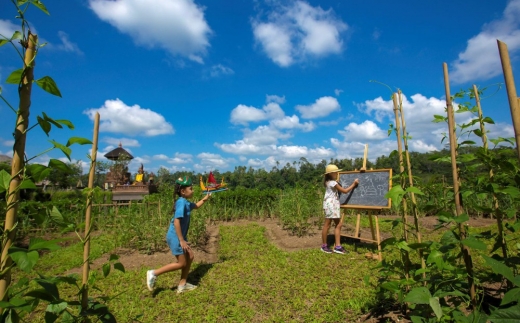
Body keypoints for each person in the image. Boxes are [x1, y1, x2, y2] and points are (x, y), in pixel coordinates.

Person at [146, 176, 211, 293]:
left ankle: (182, 284)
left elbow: (195, 206)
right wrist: (181, 240)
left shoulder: (185, 202)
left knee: (190, 256)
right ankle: (154, 273)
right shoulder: (181, 202)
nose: (193, 190)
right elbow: (177, 221)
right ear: (183, 191)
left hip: (179, 236)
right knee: (182, 263)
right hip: (176, 237)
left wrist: (206, 198)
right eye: (191, 189)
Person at [321, 164, 359, 254]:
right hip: (332, 205)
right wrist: (354, 184)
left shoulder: (328, 182)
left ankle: (335, 246)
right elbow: (345, 191)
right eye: (336, 172)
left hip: (330, 204)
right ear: (331, 173)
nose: (338, 173)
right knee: (330, 224)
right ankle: (326, 246)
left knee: (336, 224)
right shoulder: (333, 183)